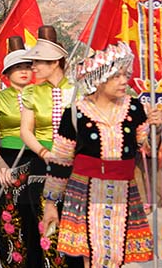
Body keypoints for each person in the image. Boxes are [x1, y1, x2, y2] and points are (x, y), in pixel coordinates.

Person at [42, 42, 158, 267]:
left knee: (116, 254)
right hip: (85, 191)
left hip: (123, 191)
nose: (125, 81)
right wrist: (50, 203)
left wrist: (156, 127)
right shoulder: (75, 114)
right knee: (93, 253)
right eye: (117, 76)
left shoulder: (135, 109)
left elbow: (149, 148)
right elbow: (61, 162)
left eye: (126, 75)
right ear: (99, 77)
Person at [19, 25, 81, 268]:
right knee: (46, 229)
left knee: (74, 228)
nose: (33, 67)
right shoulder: (31, 93)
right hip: (41, 164)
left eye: (39, 62)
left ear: (55, 62)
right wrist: (44, 152)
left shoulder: (78, 90)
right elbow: (26, 130)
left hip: (75, 168)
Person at [0, 37, 33, 267]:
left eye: (26, 66)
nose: (23, 71)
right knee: (10, 222)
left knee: (40, 223)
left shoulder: (43, 94)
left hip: (39, 161)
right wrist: (0, 164)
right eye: (17, 67)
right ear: (7, 73)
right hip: (10, 161)